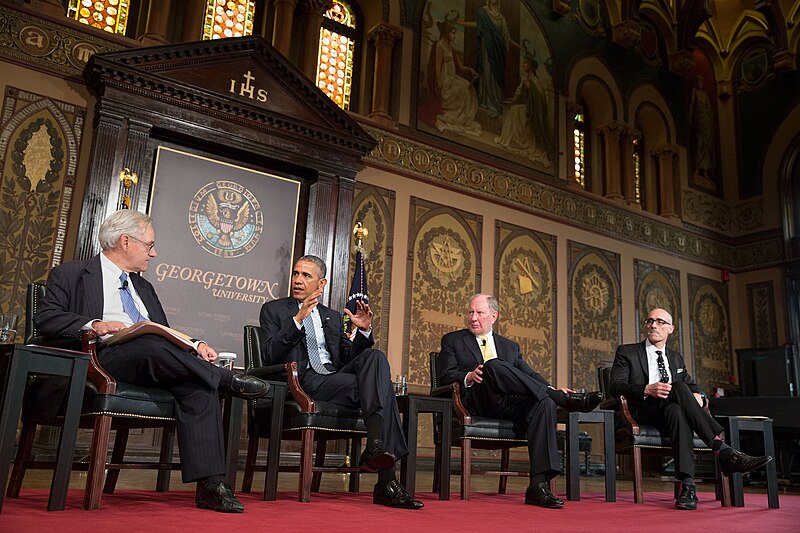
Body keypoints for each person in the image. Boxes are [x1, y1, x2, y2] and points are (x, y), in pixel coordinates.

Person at [35, 209, 269, 513]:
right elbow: (47, 318)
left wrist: (196, 344)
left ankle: (212, 485)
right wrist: (94, 324)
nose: (154, 253)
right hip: (101, 360)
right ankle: (225, 380)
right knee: (149, 343)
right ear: (125, 241)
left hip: (148, 359)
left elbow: (162, 331)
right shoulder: (72, 274)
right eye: (150, 245)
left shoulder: (143, 287)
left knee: (196, 384)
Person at [259, 255, 423, 510]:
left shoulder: (333, 317)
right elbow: (269, 354)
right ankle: (386, 484)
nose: (298, 280)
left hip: (332, 378)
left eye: (306, 276)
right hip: (303, 380)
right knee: (383, 390)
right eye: (296, 274)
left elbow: (350, 358)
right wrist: (298, 319)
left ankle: (376, 445)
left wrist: (364, 332)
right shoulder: (275, 310)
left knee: (374, 357)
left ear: (321, 283)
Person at [438, 293, 602, 508]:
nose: (473, 318)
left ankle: (537, 486)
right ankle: (562, 399)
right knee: (493, 365)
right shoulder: (453, 340)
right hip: (477, 402)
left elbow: (530, 375)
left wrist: (550, 388)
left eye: (479, 313)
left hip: (508, 404)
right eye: (470, 312)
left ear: (494, 316)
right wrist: (467, 376)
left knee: (545, 403)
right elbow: (445, 376)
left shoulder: (510, 346)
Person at [610, 308, 773, 510]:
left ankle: (688, 488)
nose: (653, 325)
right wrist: (646, 389)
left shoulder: (675, 358)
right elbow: (615, 386)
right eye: (650, 321)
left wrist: (701, 396)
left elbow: (693, 386)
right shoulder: (628, 352)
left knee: (678, 409)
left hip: (669, 413)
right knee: (679, 388)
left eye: (660, 322)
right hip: (641, 411)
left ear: (671, 328)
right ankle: (721, 449)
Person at [421, 18, 481, 136]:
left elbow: (461, 66)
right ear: (447, 32)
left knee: (469, 88)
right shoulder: (440, 46)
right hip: (445, 79)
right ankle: (456, 116)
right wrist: (439, 83)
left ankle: (464, 118)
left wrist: (470, 70)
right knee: (463, 89)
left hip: (453, 77)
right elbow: (438, 67)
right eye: (453, 32)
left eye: (455, 33)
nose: (455, 35)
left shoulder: (451, 48)